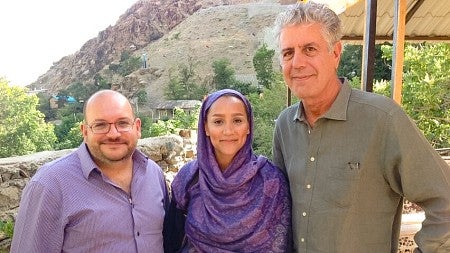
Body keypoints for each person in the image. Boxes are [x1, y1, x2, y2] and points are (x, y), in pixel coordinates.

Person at [271, 2, 450, 252]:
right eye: (288, 53)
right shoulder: (284, 127)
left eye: (309, 49)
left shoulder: (383, 119)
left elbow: (445, 200)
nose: (297, 63)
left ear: (335, 54)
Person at [11, 90, 168, 253]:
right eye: (100, 125)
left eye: (122, 123)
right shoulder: (50, 185)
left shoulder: (153, 174)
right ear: (85, 132)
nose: (113, 134)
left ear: (137, 127)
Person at [164, 89, 292, 252]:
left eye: (237, 120)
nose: (228, 131)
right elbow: (171, 241)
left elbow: (280, 245)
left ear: (248, 126)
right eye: (218, 122)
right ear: (206, 128)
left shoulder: (271, 181)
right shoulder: (189, 178)